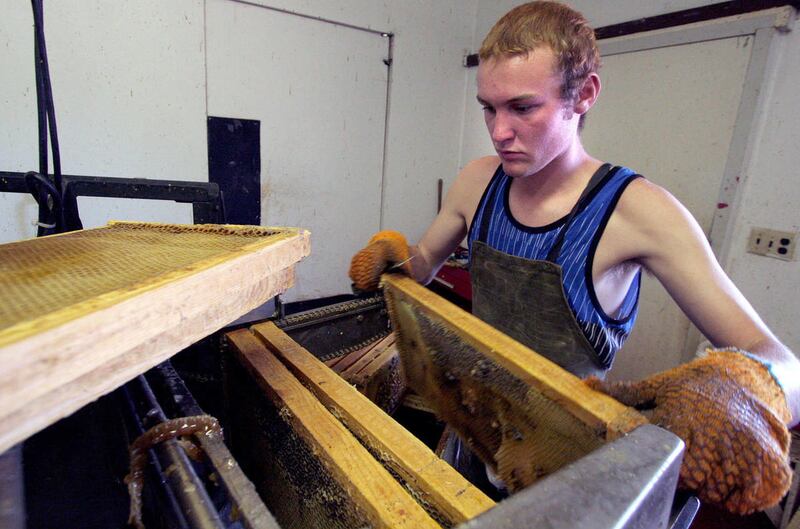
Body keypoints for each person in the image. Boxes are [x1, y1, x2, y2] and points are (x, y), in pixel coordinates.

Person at [349, 0, 799, 515]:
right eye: (488, 108)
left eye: (522, 108)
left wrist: (745, 388)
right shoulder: (477, 181)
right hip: (475, 425)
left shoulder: (638, 212)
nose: (499, 131)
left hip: (563, 464)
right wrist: (397, 255)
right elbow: (426, 264)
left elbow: (787, 366)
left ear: (583, 95)